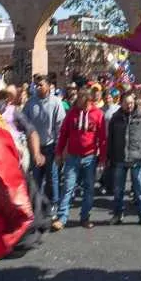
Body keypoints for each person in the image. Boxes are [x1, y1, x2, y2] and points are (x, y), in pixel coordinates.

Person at [52, 88, 106, 230]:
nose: (79, 104)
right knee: (68, 187)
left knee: (89, 189)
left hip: (90, 157)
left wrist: (102, 159)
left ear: (89, 101)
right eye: (78, 102)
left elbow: (102, 138)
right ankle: (62, 218)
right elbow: (64, 134)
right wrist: (58, 153)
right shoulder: (72, 114)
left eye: (82, 102)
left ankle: (85, 217)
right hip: (72, 157)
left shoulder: (98, 115)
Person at [107, 92, 141, 227]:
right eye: (126, 103)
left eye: (131, 103)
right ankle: (118, 215)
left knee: (140, 190)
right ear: (121, 103)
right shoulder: (115, 118)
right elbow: (110, 139)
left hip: (137, 159)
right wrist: (109, 157)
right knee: (118, 190)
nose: (129, 105)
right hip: (119, 159)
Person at [24, 74, 66, 216]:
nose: (38, 87)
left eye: (41, 85)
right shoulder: (30, 103)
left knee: (52, 177)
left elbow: (61, 126)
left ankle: (54, 204)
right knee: (36, 178)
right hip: (35, 147)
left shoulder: (56, 103)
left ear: (48, 86)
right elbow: (25, 124)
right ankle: (37, 205)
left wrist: (60, 148)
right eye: (36, 85)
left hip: (51, 146)